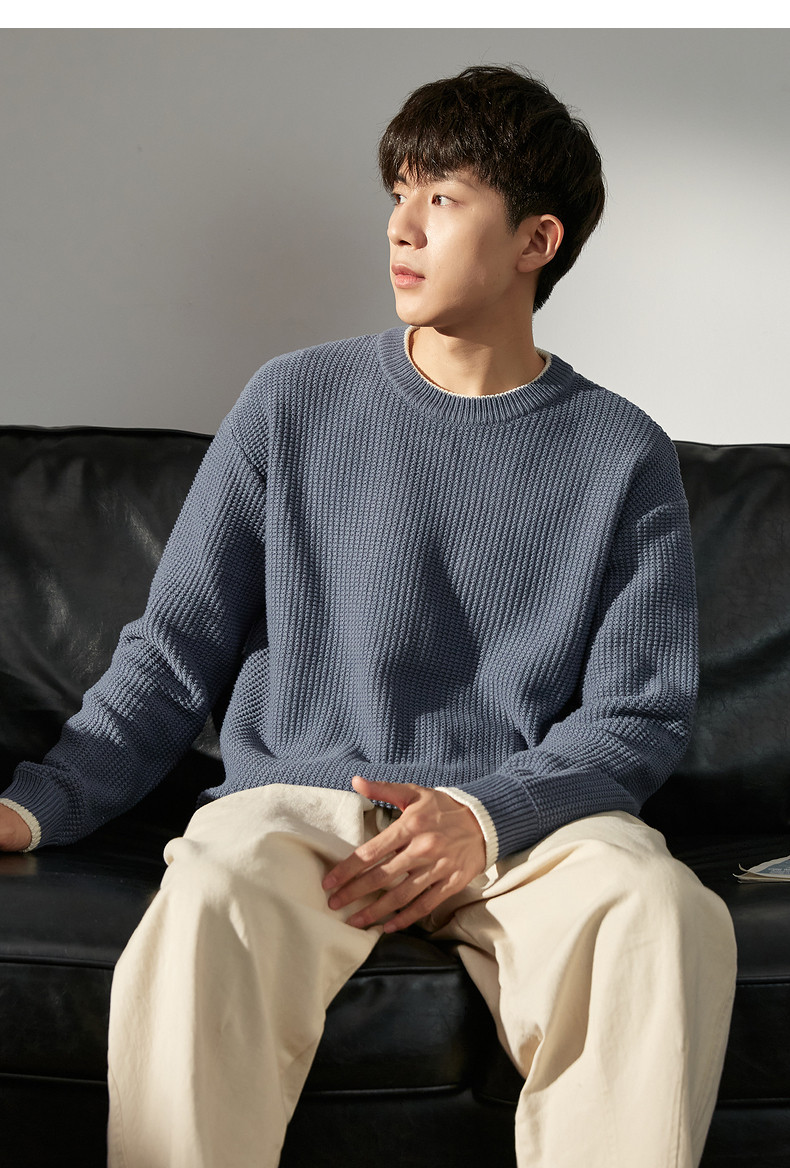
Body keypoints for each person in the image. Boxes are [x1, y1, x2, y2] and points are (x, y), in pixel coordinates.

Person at [0, 64, 736, 1168]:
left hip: (521, 826)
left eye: (443, 197)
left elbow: (638, 714)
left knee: (657, 909)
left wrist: (484, 813)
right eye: (398, 192)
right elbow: (174, 651)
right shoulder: (291, 402)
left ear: (536, 241)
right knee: (209, 891)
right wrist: (35, 804)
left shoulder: (621, 450)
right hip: (301, 808)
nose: (401, 225)